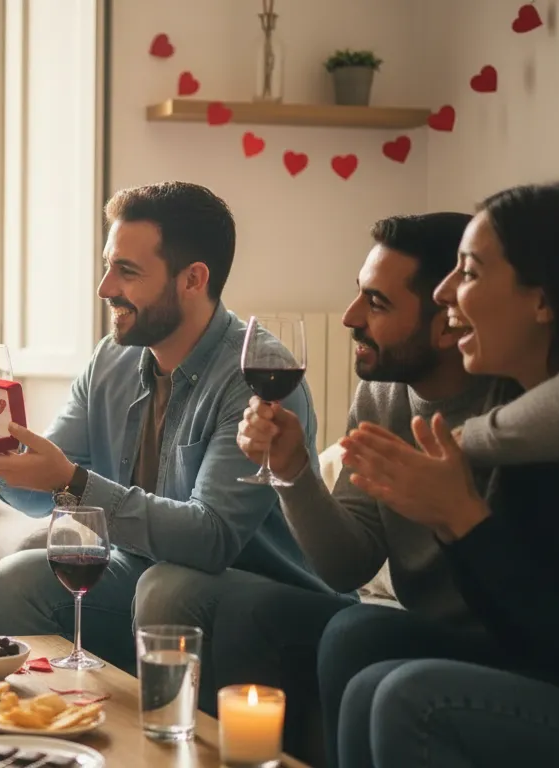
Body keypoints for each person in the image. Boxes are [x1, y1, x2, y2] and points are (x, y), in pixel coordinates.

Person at [120, 212, 473, 763]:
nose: (350, 317)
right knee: (219, 602)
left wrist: (456, 515)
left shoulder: (519, 415)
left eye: (376, 304)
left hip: (487, 633)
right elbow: (349, 564)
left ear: (449, 320)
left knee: (356, 631)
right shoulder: (380, 398)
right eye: (358, 294)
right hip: (417, 621)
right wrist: (293, 472)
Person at [0, 182, 331, 671]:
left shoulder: (255, 377)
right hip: (148, 572)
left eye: (127, 271)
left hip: (262, 589)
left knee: (166, 589)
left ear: (193, 279)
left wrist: (70, 481)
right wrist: (4, 454)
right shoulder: (111, 359)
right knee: (16, 579)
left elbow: (210, 539)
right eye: (108, 265)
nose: (105, 287)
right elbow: (36, 491)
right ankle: (60, 723)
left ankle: (165, 737)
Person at [327, 181, 559, 767]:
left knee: (410, 697)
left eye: (470, 273)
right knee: (364, 654)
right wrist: (459, 524)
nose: (446, 292)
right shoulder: (525, 420)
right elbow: (518, 628)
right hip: (552, 660)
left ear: (544, 300)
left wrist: (461, 518)